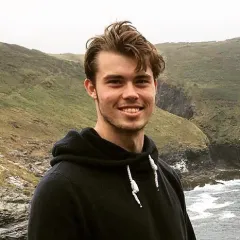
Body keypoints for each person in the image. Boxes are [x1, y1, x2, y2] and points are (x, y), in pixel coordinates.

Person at [27, 20, 196, 240]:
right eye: (115, 82)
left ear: (155, 86)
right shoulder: (61, 190)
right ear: (91, 88)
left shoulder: (167, 176)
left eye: (141, 81)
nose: (130, 93)